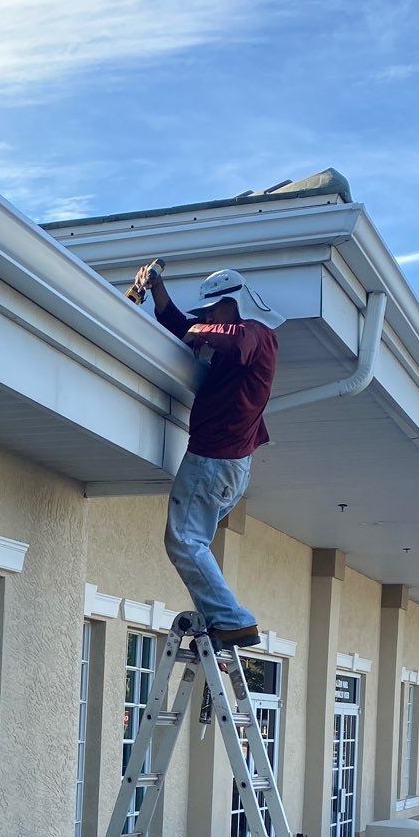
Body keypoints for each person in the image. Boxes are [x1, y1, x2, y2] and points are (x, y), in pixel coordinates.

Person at [128, 260, 284, 650]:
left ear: (234, 304)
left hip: (214, 459)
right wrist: (157, 289)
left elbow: (230, 339)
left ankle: (232, 620)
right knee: (191, 541)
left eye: (214, 310)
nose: (208, 318)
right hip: (225, 462)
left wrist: (201, 331)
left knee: (184, 541)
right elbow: (185, 327)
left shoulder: (257, 334)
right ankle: (224, 619)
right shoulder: (231, 335)